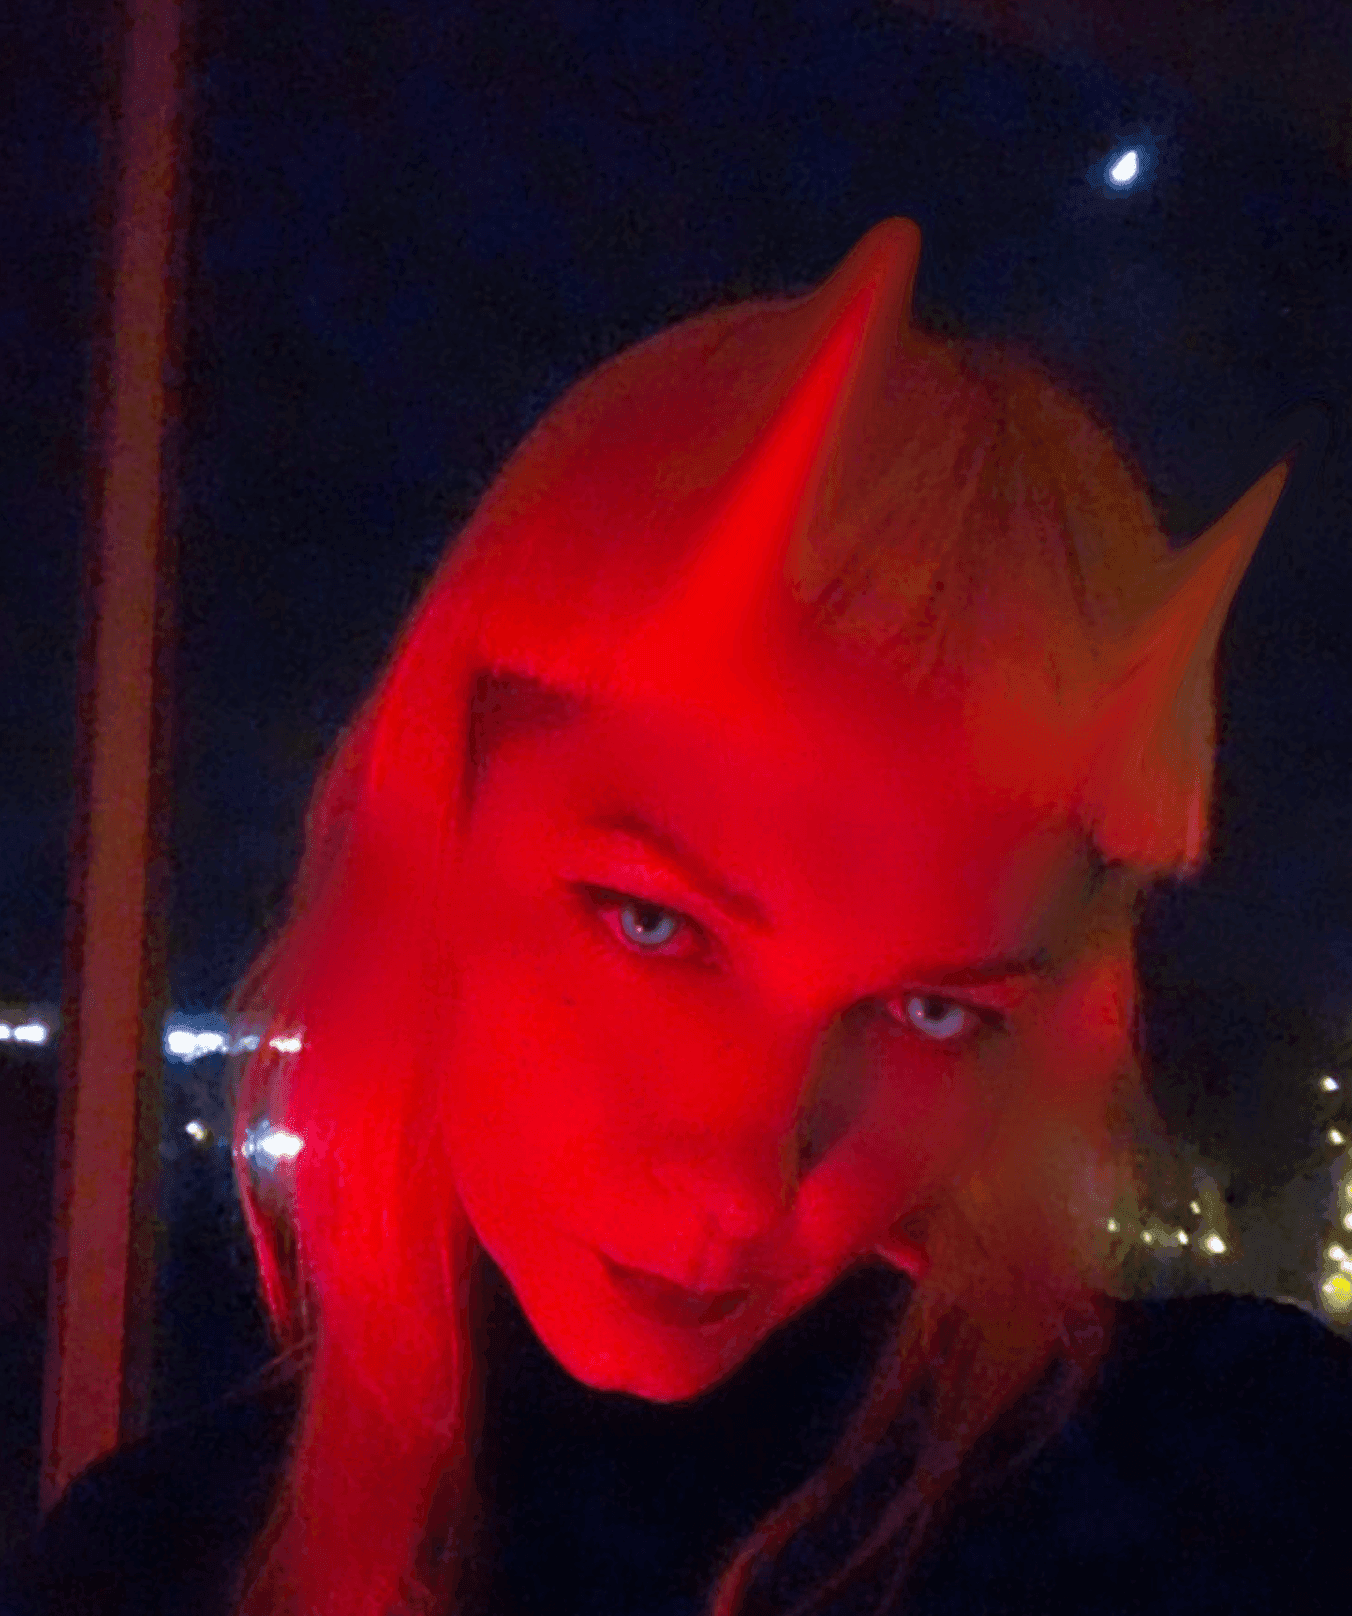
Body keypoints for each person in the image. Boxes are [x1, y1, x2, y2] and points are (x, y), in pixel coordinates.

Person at [5, 217, 1348, 1616]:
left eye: (930, 1010)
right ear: (432, 822)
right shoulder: (155, 1569)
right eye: (657, 926)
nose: (745, 1181)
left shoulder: (1242, 1486)